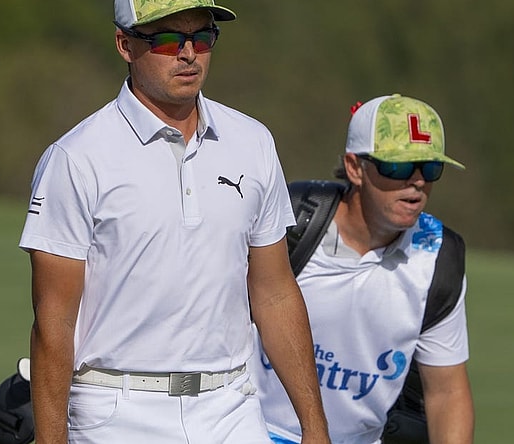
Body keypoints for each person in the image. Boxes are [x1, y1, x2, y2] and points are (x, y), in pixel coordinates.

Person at [18, 1, 330, 443]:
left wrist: (314, 427)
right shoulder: (76, 158)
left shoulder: (254, 141)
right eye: (166, 39)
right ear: (125, 45)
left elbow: (274, 291)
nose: (188, 53)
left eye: (202, 38)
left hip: (233, 406)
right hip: (115, 410)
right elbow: (54, 319)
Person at [249, 94, 475, 444]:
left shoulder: (438, 256)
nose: (416, 182)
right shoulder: (292, 224)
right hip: (252, 433)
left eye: (430, 168)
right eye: (398, 167)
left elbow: (446, 392)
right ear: (355, 168)